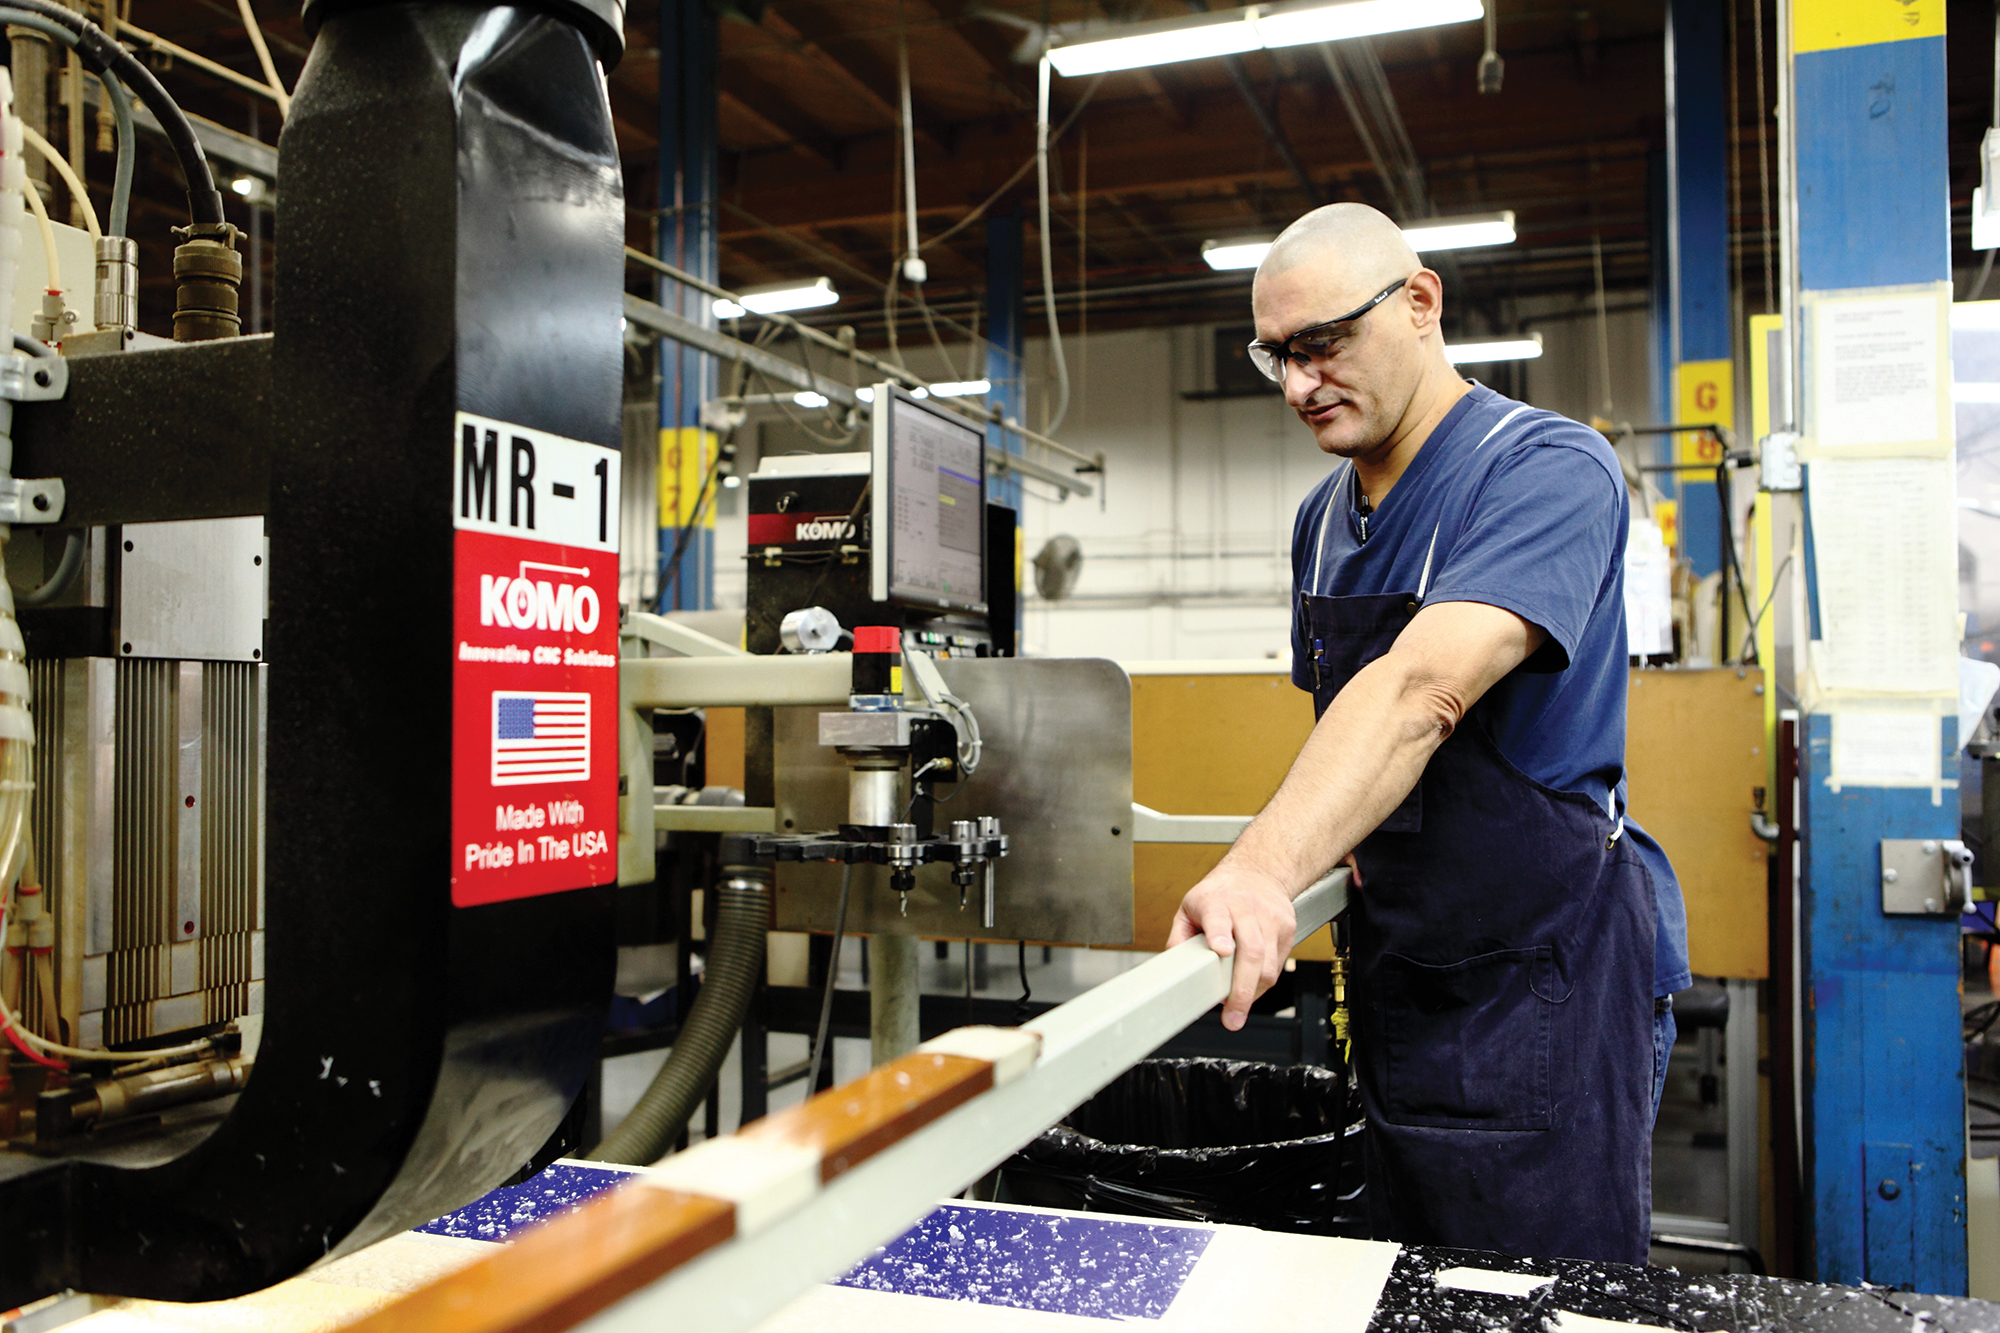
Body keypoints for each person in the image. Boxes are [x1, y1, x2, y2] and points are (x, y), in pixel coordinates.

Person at [1168, 203, 1689, 1265]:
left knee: (1535, 1290)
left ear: (1418, 304)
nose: (1298, 386)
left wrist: (1261, 869)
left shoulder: (1544, 468)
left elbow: (1418, 692)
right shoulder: (1320, 520)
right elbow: (1353, 735)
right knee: (1402, 1283)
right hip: (1400, 978)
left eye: (1322, 347)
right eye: (1278, 357)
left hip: (1541, 984)